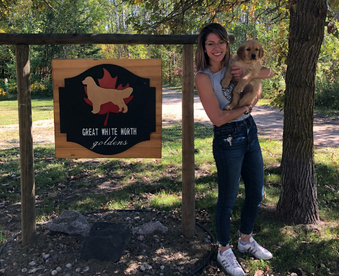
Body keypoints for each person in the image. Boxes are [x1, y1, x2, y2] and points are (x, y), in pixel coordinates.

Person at [195, 23, 273, 276]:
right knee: (227, 200)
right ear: (204, 48)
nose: (216, 48)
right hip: (228, 137)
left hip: (250, 131)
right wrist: (245, 108)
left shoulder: (238, 63)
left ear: (228, 44)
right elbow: (217, 118)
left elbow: (267, 71)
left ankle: (246, 240)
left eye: (221, 42)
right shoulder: (203, 76)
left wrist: (251, 75)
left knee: (256, 192)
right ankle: (224, 250)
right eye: (211, 43)